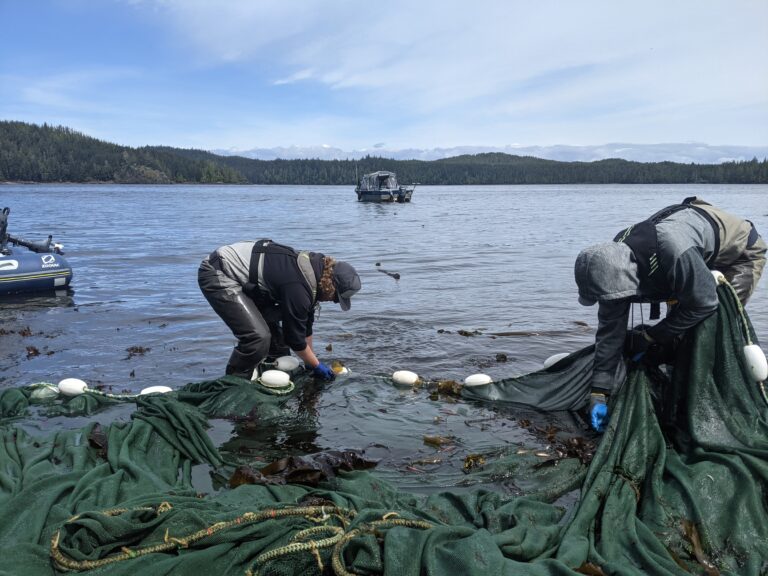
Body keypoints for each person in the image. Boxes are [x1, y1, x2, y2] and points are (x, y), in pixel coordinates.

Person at [574, 197, 766, 432]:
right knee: (678, 330)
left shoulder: (673, 252)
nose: (612, 301)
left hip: (738, 255)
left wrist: (649, 337)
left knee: (706, 328)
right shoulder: (609, 267)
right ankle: (675, 386)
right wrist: (599, 390)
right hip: (689, 254)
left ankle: (707, 407)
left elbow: (703, 305)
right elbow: (610, 329)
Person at [198, 239, 361, 381]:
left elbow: (304, 327)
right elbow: (296, 340)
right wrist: (316, 365)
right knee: (258, 337)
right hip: (219, 271)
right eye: (335, 298)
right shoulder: (299, 288)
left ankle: (266, 377)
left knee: (279, 345)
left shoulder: (315, 275)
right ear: (330, 286)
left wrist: (311, 363)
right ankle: (235, 384)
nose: (333, 302)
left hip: (250, 282)